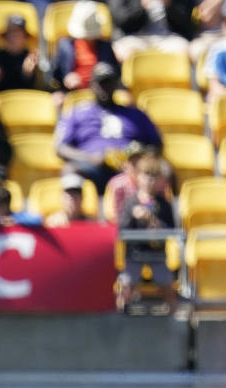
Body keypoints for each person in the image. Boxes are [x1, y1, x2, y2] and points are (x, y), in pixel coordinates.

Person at [55, 62, 162, 193]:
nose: (105, 88)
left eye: (108, 83)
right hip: (92, 167)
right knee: (70, 170)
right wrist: (90, 157)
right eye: (101, 83)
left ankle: (160, 210)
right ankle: (80, 213)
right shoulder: (77, 113)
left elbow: (157, 145)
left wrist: (136, 155)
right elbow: (61, 148)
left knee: (163, 170)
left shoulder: (135, 114)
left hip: (131, 169)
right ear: (92, 85)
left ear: (116, 84)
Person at [116, 153, 177, 313]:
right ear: (139, 177)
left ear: (160, 180)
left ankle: (174, 318)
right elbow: (121, 228)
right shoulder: (130, 202)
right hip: (134, 254)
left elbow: (171, 228)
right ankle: (119, 315)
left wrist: (155, 223)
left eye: (154, 176)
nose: (150, 180)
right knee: (125, 285)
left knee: (167, 285)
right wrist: (133, 216)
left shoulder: (164, 204)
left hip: (157, 255)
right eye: (146, 175)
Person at [50, 2, 119, 93]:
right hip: (72, 93)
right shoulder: (66, 46)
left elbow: (116, 72)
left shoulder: (105, 47)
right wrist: (66, 79)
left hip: (101, 94)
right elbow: (54, 75)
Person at [108, 0, 193, 63]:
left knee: (184, 50)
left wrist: (169, 5)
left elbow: (185, 24)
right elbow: (121, 21)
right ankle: (128, 86)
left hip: (168, 37)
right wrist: (142, 7)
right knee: (126, 52)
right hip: (134, 37)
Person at [0, 14, 39, 94]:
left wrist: (28, 74)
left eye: (18, 34)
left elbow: (36, 87)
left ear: (25, 37)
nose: (14, 37)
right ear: (5, 36)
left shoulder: (31, 58)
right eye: (11, 33)